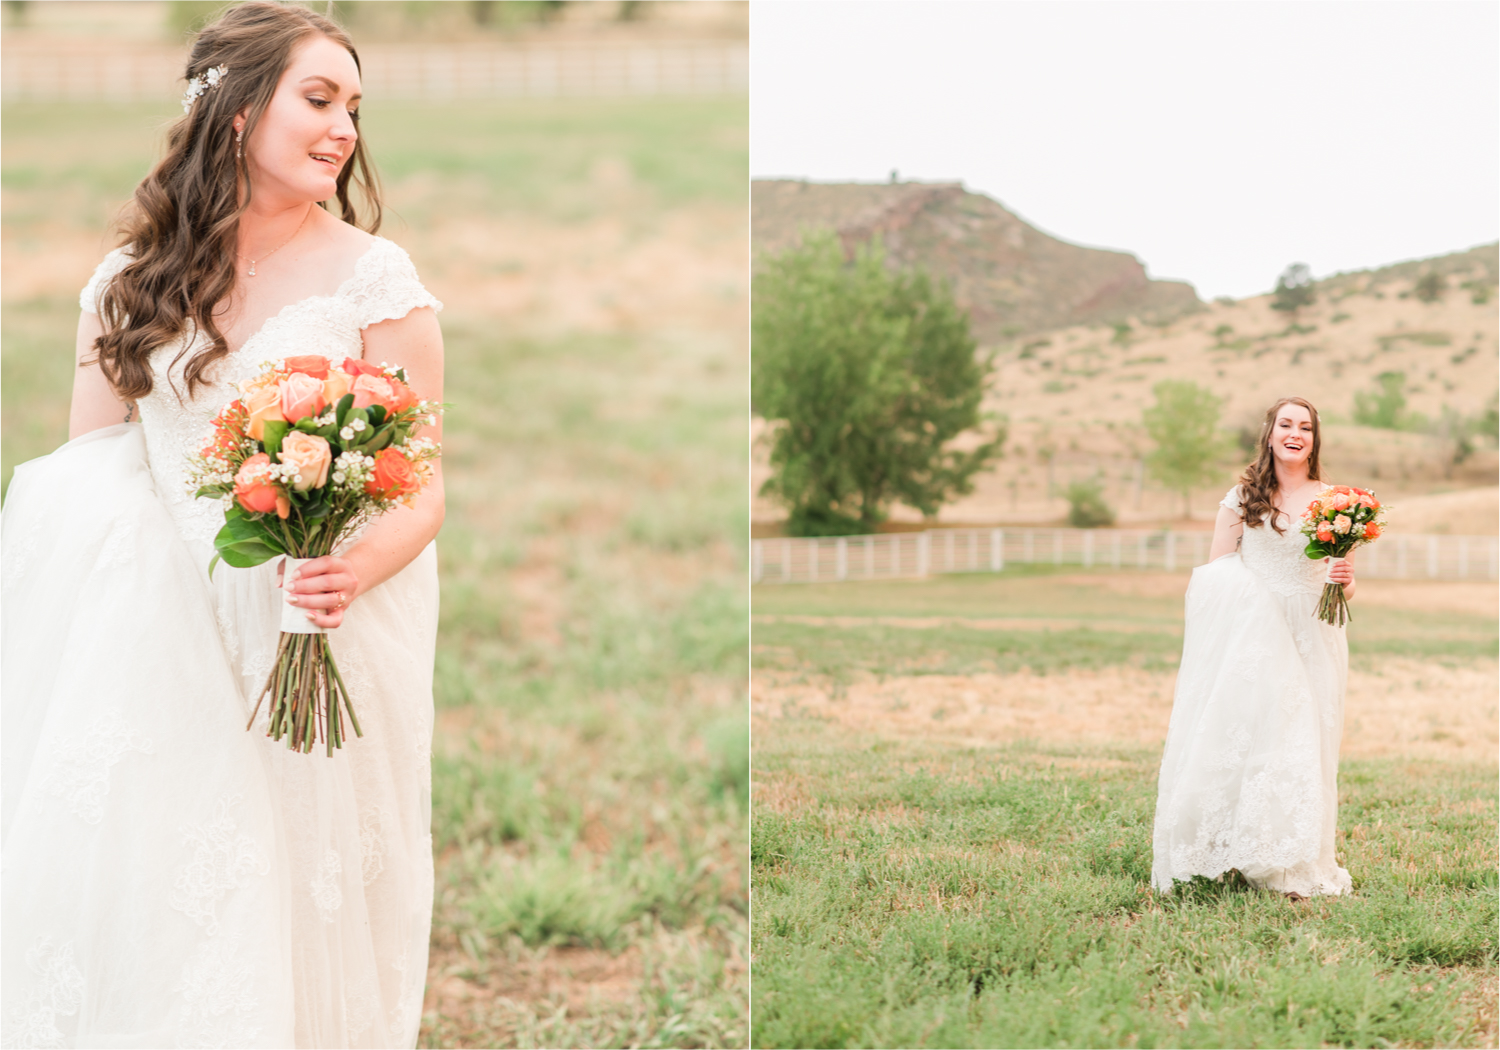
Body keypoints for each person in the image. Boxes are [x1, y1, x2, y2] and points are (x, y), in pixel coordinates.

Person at [1, 5, 444, 1046]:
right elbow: (91, 469)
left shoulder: (378, 283)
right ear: (238, 112)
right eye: (319, 99)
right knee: (169, 871)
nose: (343, 129)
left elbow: (422, 485)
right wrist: (137, 598)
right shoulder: (127, 284)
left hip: (320, 611)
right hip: (157, 623)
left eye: (354, 107)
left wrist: (350, 568)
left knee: (309, 871)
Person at [1151, 396, 1355, 901]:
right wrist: (1254, 612)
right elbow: (1215, 574)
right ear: (1269, 434)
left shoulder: (1336, 502)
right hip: (1252, 632)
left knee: (1308, 738)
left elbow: (1346, 587)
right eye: (1286, 424)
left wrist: (1345, 579)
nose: (1295, 433)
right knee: (1245, 734)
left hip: (1312, 628)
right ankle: (1226, 852)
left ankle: (1292, 862)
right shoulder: (1243, 497)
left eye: (1305, 427)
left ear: (1314, 439)